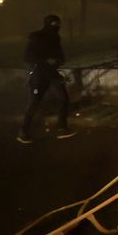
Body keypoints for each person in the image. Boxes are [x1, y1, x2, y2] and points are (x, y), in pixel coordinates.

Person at [18, 14, 75, 143]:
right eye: (54, 24)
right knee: (34, 103)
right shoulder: (36, 38)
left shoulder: (56, 38)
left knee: (63, 99)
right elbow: (28, 57)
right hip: (39, 75)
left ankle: (62, 128)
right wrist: (44, 61)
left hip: (53, 74)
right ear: (47, 24)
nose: (57, 27)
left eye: (58, 24)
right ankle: (23, 132)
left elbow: (60, 55)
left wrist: (58, 61)